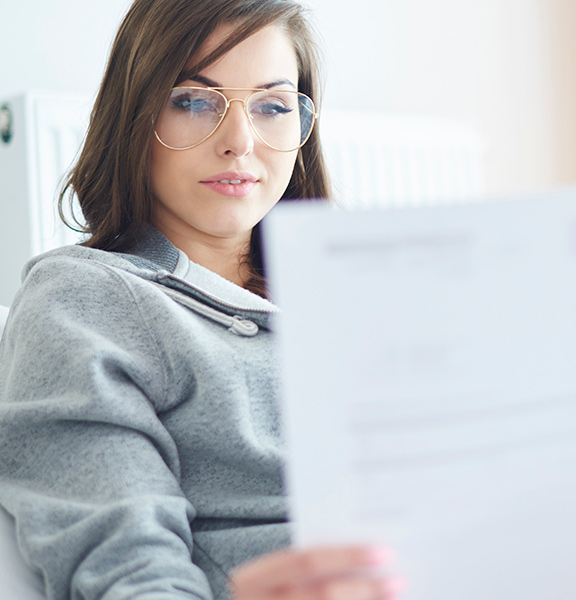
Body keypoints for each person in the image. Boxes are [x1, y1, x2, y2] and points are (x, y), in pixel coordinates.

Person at [0, 0, 403, 598]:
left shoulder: (353, 299)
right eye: (192, 100)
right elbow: (133, 574)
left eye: (272, 106)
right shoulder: (86, 298)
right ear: (134, 115)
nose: (240, 142)